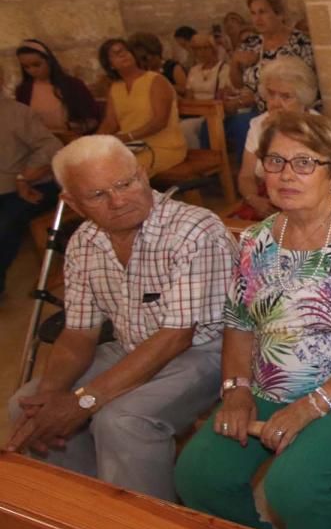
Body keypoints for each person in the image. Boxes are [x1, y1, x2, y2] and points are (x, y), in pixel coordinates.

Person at [174, 112, 331, 529]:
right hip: (268, 383)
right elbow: (240, 324)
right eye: (276, 161)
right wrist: (236, 391)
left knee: (293, 485)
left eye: (304, 163)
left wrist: (310, 407)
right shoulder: (258, 239)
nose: (286, 174)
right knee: (198, 474)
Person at [6, 136, 234, 502]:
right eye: (97, 195)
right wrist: (52, 397)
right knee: (28, 405)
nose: (118, 200)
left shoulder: (193, 230)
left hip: (205, 353)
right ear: (72, 203)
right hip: (130, 347)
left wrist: (81, 401)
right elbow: (79, 332)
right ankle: (87, 516)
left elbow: (176, 337)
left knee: (123, 421)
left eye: (125, 183)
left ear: (143, 175)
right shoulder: (85, 242)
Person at [234, 57, 321, 220]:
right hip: (266, 202)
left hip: (305, 205)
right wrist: (254, 200)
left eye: (286, 97)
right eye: (271, 94)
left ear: (304, 99)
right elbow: (246, 176)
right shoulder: (258, 124)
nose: (275, 103)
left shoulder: (318, 128)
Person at [95, 38, 187, 177]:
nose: (122, 54)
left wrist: (128, 137)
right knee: (92, 167)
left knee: (119, 172)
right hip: (132, 147)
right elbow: (110, 122)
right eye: (115, 54)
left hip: (163, 147)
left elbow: (160, 121)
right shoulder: (115, 87)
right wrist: (92, 143)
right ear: (110, 65)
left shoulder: (156, 80)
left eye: (124, 50)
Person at [0, 98, 62, 297]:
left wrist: (24, 177)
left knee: (5, 224)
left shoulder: (18, 113)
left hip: (31, 184)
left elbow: (51, 146)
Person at [229, 0, 316, 107]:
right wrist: (235, 62)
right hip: (260, 114)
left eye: (262, 12)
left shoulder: (299, 42)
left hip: (293, 111)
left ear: (279, 14)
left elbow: (309, 86)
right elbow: (238, 85)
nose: (257, 19)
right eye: (253, 13)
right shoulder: (251, 43)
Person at [14, 39, 100, 135]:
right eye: (26, 67)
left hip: (71, 140)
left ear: (49, 61)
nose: (32, 70)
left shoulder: (73, 85)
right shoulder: (23, 91)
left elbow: (92, 119)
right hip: (39, 143)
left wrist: (76, 127)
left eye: (36, 65)